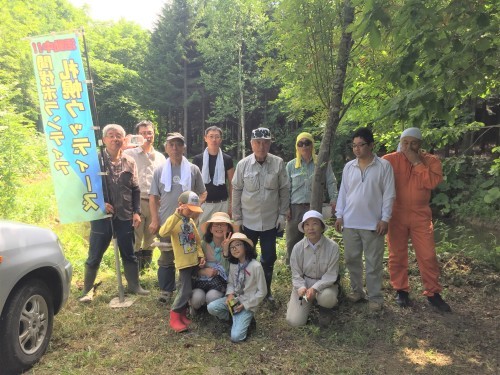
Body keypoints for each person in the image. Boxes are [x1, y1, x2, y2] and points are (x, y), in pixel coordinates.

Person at [382, 128, 451, 312]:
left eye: (413, 143)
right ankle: (401, 290)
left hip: (421, 214)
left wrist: (416, 162)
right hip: (396, 214)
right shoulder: (389, 160)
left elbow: (431, 183)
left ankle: (433, 293)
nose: (409, 147)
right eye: (405, 142)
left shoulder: (431, 161)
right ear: (400, 142)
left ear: (420, 144)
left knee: (428, 255)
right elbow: (376, 183)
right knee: (397, 254)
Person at [79, 124, 149, 303]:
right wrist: (99, 203)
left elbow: (135, 189)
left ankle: (134, 286)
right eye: (111, 135)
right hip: (101, 216)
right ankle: (87, 290)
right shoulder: (94, 162)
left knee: (129, 253)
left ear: (123, 140)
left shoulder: (129, 161)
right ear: (104, 140)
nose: (115, 139)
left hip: (125, 215)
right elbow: (84, 188)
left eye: (118, 136)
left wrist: (137, 212)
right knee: (95, 254)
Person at [335, 127, 395, 312]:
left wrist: (385, 219)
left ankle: (375, 297)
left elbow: (389, 195)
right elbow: (343, 193)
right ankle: (357, 291)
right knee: (352, 259)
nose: (357, 149)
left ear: (371, 145)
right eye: (354, 145)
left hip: (373, 224)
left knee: (373, 262)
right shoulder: (349, 167)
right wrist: (339, 214)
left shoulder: (384, 166)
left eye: (361, 145)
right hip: (350, 222)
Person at [232, 127, 290, 302]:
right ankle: (247, 289)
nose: (262, 146)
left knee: (269, 257)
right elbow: (236, 191)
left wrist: (282, 215)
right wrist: (237, 219)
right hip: (248, 221)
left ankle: (266, 292)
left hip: (270, 221)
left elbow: (284, 190)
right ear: (251, 144)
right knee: (246, 255)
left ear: (270, 143)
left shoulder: (278, 163)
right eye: (258, 142)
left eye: (266, 142)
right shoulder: (242, 165)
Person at [149, 132, 207, 303]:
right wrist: (154, 220)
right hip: (167, 221)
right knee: (166, 257)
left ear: (184, 148)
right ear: (166, 148)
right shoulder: (159, 170)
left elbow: (203, 193)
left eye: (178, 144)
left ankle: (187, 290)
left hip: (187, 224)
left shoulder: (193, 169)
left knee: (188, 257)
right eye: (171, 145)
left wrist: (194, 209)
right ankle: (166, 290)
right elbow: (153, 197)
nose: (175, 148)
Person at [286, 132, 338, 265]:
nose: (304, 146)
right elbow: (286, 188)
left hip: (314, 206)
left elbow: (331, 181)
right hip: (295, 207)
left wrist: (334, 199)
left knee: (316, 238)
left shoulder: (321, 163)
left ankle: (317, 266)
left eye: (307, 142)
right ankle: (292, 268)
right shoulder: (291, 165)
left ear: (312, 145)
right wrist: (285, 207)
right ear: (297, 147)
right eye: (300, 143)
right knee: (293, 240)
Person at [207, 232, 267, 343]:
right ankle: (231, 319)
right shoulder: (234, 265)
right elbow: (230, 283)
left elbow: (262, 292)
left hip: (247, 303)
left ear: (246, 246)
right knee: (212, 307)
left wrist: (245, 305)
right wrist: (230, 295)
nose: (234, 249)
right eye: (232, 247)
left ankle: (247, 321)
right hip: (234, 301)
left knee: (236, 337)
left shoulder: (256, 266)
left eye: (238, 245)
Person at [159, 191, 206, 332]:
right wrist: (176, 215)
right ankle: (174, 318)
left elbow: (197, 241)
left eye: (194, 210)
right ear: (181, 205)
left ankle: (182, 315)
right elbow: (162, 232)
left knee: (186, 289)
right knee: (185, 291)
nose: (192, 213)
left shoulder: (191, 222)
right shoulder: (174, 220)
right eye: (189, 210)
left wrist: (200, 255)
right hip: (183, 262)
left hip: (193, 261)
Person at [123, 120, 167, 271]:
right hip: (136, 201)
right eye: (142, 133)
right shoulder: (128, 153)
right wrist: (125, 143)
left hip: (156, 202)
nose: (146, 136)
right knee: (136, 238)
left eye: (149, 133)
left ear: (154, 135)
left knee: (150, 237)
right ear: (137, 135)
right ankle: (133, 273)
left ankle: (145, 270)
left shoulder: (161, 157)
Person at [286, 210, 340, 327]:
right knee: (294, 322)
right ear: (304, 228)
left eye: (315, 224)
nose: (311, 228)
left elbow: (331, 275)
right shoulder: (298, 247)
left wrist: (315, 289)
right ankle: (296, 303)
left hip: (326, 285)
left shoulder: (333, 247)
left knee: (327, 297)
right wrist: (301, 287)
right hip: (305, 283)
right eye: (307, 224)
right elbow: (296, 273)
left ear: (322, 227)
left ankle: (325, 311)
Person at [190, 212, 239, 313]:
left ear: (229, 228)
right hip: (200, 281)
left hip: (220, 283)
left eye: (223, 224)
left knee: (211, 297)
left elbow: (231, 271)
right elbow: (192, 267)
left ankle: (213, 308)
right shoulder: (203, 245)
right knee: (196, 299)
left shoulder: (234, 246)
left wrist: (225, 252)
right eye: (216, 224)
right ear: (211, 229)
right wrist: (203, 271)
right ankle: (197, 307)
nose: (219, 227)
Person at [192, 126, 234, 225]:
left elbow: (232, 183)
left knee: (221, 234)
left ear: (221, 139)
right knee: (202, 235)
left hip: (222, 203)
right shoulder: (198, 159)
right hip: (203, 204)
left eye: (217, 137)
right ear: (205, 138)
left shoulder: (227, 159)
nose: (214, 139)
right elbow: (193, 184)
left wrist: (231, 205)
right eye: (211, 136)